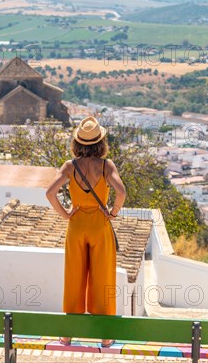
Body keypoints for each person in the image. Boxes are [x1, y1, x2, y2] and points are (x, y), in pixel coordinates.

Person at [46, 116, 126, 347]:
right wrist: (113, 212)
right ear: (101, 142)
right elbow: (121, 192)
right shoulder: (106, 165)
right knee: (103, 279)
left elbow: (50, 193)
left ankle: (67, 335)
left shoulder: (70, 166)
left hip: (77, 224)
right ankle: (106, 336)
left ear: (77, 143)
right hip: (100, 226)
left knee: (74, 278)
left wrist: (66, 214)